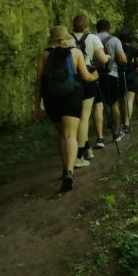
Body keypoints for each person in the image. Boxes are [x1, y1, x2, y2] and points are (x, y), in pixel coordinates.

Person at [33, 25, 98, 192]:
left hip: (51, 99)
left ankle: (64, 169)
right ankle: (70, 171)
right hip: (72, 97)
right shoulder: (75, 53)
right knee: (71, 135)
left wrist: (37, 107)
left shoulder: (44, 55)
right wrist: (95, 75)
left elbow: (39, 83)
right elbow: (85, 77)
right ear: (64, 39)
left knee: (62, 135)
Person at [71, 14, 109, 164]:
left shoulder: (67, 39)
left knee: (75, 117)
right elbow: (102, 59)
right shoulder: (93, 38)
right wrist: (107, 58)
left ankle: (86, 148)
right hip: (88, 76)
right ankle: (79, 155)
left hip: (71, 78)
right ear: (87, 26)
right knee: (84, 117)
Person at [95, 19, 128, 144]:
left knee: (98, 106)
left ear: (97, 28)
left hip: (94, 75)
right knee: (114, 104)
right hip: (111, 75)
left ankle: (100, 138)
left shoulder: (90, 39)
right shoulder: (114, 40)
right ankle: (116, 131)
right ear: (108, 28)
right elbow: (122, 59)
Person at [119, 33, 138, 134]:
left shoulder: (118, 48)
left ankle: (122, 121)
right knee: (129, 100)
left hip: (120, 75)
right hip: (132, 76)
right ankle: (127, 124)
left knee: (122, 101)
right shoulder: (134, 49)